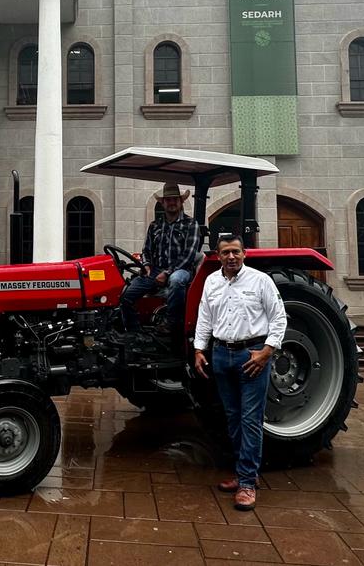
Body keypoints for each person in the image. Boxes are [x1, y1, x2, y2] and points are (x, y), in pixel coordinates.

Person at [193, 235, 287, 511]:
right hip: (221, 354)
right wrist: (200, 349)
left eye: (236, 252)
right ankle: (244, 471)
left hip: (251, 355)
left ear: (244, 253)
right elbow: (205, 317)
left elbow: (279, 317)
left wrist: (267, 352)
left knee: (250, 419)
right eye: (225, 253)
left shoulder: (260, 280)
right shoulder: (212, 281)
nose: (231, 257)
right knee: (232, 418)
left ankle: (247, 482)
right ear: (218, 256)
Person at [120, 182, 202, 334]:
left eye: (175, 199)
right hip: (155, 270)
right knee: (126, 295)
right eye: (168, 200)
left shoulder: (190, 224)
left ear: (181, 201)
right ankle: (135, 334)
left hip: (181, 269)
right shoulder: (155, 225)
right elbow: (146, 249)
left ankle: (172, 323)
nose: (171, 203)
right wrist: (146, 265)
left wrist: (167, 273)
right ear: (163, 203)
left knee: (177, 280)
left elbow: (189, 254)